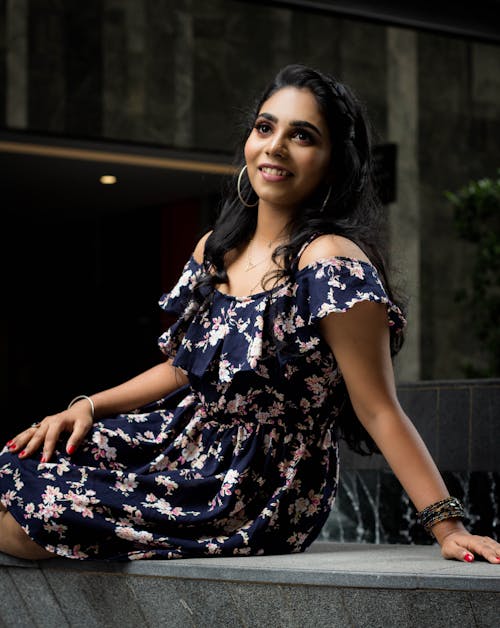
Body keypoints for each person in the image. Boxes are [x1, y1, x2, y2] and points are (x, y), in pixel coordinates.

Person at [1, 64, 499, 564]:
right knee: (21, 462)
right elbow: (181, 367)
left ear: (333, 162)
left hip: (261, 485)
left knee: (37, 522)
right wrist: (87, 406)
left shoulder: (330, 261)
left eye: (302, 136)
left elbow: (378, 408)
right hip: (183, 441)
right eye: (266, 127)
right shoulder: (215, 250)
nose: (275, 146)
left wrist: (447, 526)